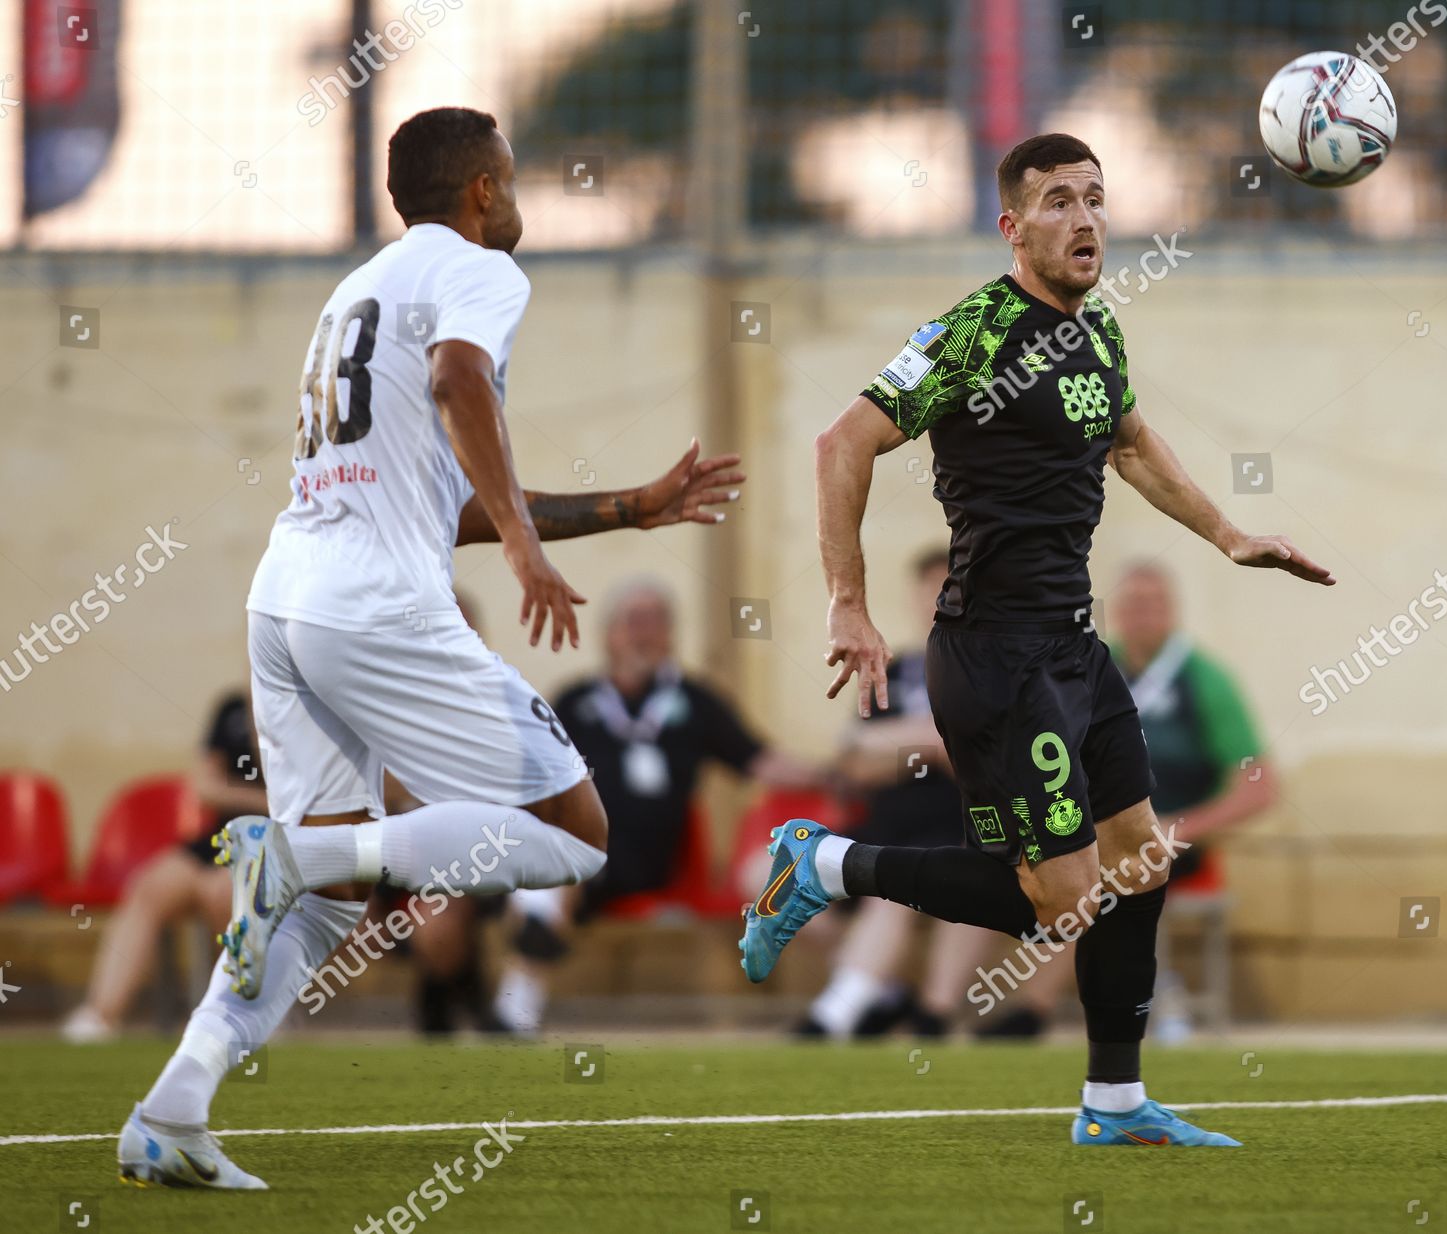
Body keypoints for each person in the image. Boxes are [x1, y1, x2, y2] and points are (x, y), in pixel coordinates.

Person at [116, 106, 744, 1189]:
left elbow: (433, 497)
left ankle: (172, 1110)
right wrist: (524, 552)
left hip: (289, 603)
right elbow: (460, 385)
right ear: (483, 192)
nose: (521, 192)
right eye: (513, 174)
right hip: (379, 608)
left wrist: (627, 508)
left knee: (323, 909)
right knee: (577, 835)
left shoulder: (355, 291)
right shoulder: (484, 276)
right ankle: (293, 856)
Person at [740, 132, 1334, 1149]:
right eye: (1059, 200)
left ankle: (1113, 1105)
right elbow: (845, 439)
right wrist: (849, 602)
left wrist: (1230, 534)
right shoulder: (970, 331)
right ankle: (828, 862)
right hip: (995, 655)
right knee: (1064, 898)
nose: (1086, 218)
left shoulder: (1097, 334)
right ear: (1014, 227)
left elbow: (1134, 443)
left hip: (1075, 651)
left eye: (1097, 198)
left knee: (1143, 859)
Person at [467, 576, 821, 1035]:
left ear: (671, 634)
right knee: (544, 859)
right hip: (579, 848)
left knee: (554, 870)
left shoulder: (696, 702)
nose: (644, 633)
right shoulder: (574, 702)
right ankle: (517, 987)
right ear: (608, 633)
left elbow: (758, 760)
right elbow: (527, 778)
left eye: (656, 621)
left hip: (648, 861)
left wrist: (835, 776)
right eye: (634, 621)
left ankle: (521, 976)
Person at [977, 561, 1279, 1039]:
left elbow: (1260, 787)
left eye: (1153, 603)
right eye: (1132, 604)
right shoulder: (1088, 668)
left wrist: (1179, 827)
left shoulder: (1203, 680)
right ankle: (937, 1004)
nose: (1142, 615)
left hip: (1172, 839)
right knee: (1001, 855)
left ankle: (1034, 1007)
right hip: (1082, 823)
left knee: (1102, 869)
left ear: (1172, 611)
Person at [797, 548, 993, 1039]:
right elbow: (855, 761)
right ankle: (881, 993)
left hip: (963, 830)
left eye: (950, 588)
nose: (940, 598)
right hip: (885, 826)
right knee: (773, 873)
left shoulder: (992, 671)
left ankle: (876, 1014)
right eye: (931, 587)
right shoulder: (888, 667)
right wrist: (936, 738)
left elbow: (983, 760)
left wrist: (905, 745)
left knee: (900, 886)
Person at [61, 691, 263, 1043]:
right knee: (150, 886)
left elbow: (301, 799)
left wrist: (250, 798)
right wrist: (263, 799)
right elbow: (205, 788)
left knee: (224, 894)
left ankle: (238, 1015)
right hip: (222, 836)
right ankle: (101, 1015)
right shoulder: (233, 708)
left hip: (276, 837)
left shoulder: (308, 704)